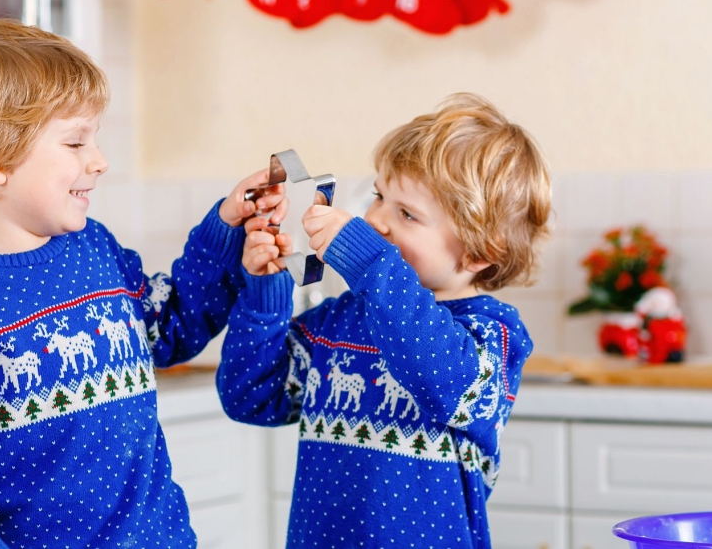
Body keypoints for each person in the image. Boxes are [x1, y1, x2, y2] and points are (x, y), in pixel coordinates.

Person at [0, 19, 278, 548]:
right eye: (75, 141)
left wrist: (227, 228)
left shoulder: (94, 251)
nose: (99, 162)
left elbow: (170, 324)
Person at [216, 92, 553, 548]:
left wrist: (369, 261)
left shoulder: (492, 334)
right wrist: (266, 290)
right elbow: (251, 396)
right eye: (379, 195)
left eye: (407, 214)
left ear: (480, 252)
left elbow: (444, 377)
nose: (375, 219)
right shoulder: (338, 322)